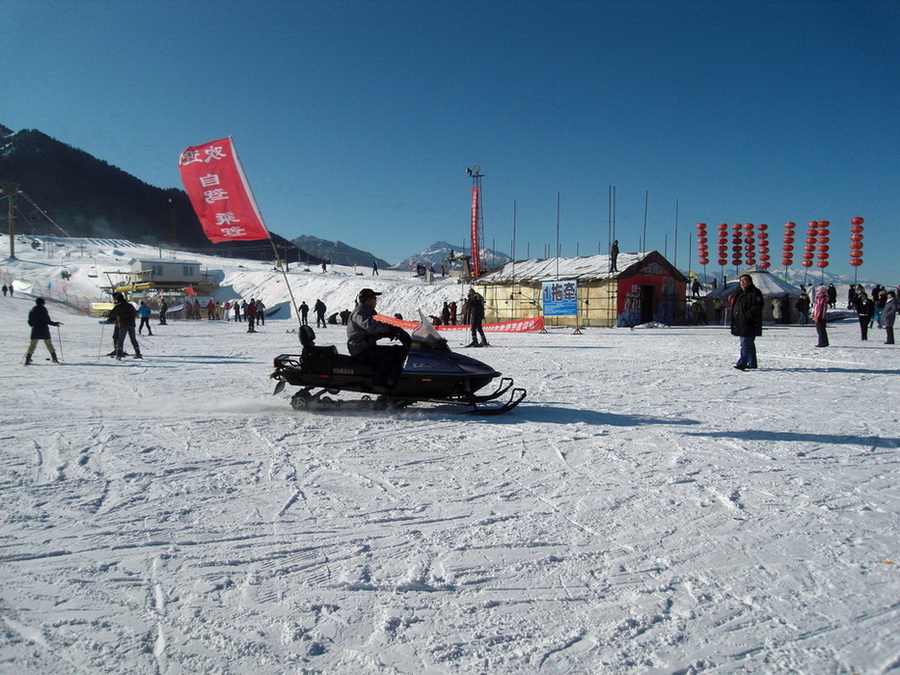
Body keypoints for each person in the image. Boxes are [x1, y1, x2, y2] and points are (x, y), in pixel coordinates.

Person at [346, 288, 410, 390]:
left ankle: (391, 379)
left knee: (396, 350)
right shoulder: (359, 313)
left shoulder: (367, 311)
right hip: (360, 349)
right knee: (393, 353)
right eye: (374, 298)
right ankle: (381, 384)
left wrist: (388, 333)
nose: (376, 300)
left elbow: (374, 329)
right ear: (367, 299)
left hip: (366, 345)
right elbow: (371, 326)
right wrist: (390, 329)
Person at [730, 274, 763, 370]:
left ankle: (742, 363)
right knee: (749, 344)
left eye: (744, 281)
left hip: (750, 322)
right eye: (741, 281)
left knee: (745, 344)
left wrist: (747, 315)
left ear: (750, 281)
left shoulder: (755, 293)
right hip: (740, 322)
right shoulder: (739, 293)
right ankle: (752, 363)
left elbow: (758, 307)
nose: (742, 283)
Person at [24, 297, 62, 365]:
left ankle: (27, 359)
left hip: (35, 330)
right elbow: (47, 321)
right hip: (44, 329)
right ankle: (55, 358)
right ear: (43, 303)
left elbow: (29, 321)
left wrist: (34, 325)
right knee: (49, 344)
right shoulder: (44, 310)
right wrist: (55, 324)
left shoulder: (32, 310)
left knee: (32, 345)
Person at [108, 292, 142, 359]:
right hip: (131, 324)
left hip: (122, 324)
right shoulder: (130, 305)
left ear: (117, 299)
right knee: (133, 339)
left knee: (120, 340)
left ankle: (119, 354)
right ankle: (138, 353)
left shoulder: (118, 307)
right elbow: (135, 314)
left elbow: (111, 315)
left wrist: (108, 316)